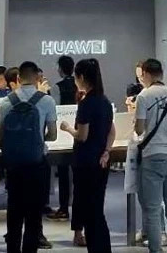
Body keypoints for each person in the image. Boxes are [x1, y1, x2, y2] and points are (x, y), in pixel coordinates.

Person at [0, 60, 57, 253]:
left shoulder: (7, 102)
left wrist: (10, 149)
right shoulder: (46, 101)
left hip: (14, 166)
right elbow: (53, 134)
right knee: (34, 215)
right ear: (37, 77)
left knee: (14, 212)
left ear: (18, 78)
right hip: (36, 164)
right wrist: (39, 140)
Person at [60, 58, 114, 253]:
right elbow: (111, 131)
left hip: (86, 162)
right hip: (100, 161)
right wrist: (107, 151)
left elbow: (82, 136)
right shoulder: (104, 101)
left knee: (89, 212)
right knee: (97, 210)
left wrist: (67, 128)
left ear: (81, 77)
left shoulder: (86, 103)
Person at [134, 58, 167, 253]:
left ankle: (156, 250)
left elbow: (139, 129)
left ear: (146, 73)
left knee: (153, 210)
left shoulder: (144, 96)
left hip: (153, 155)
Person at [47, 55, 78, 222]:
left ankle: (64, 208)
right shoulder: (79, 85)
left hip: (63, 132)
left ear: (60, 68)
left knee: (64, 172)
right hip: (78, 130)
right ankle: (78, 208)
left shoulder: (57, 87)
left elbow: (55, 109)